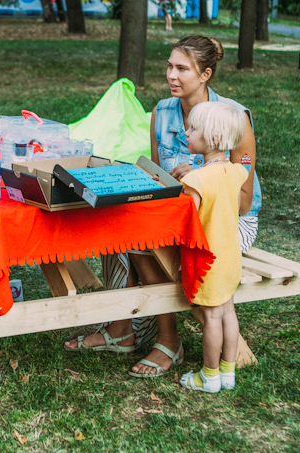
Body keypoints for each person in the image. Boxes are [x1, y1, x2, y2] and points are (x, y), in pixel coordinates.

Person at [65, 35, 262, 378]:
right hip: (177, 215)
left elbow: (242, 203)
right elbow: (159, 180)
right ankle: (122, 328)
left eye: (182, 69)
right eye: (170, 66)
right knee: (120, 227)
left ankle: (167, 339)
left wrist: (199, 179)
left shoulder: (232, 117)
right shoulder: (161, 111)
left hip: (227, 223)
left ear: (206, 75)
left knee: (142, 240)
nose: (172, 75)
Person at [179, 101, 249, 392]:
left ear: (214, 139)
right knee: (228, 313)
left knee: (211, 318)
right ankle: (228, 372)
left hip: (207, 259)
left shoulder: (195, 180)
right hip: (230, 257)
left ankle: (209, 376)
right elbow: (242, 167)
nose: (187, 132)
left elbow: (186, 221)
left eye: (193, 129)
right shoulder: (236, 172)